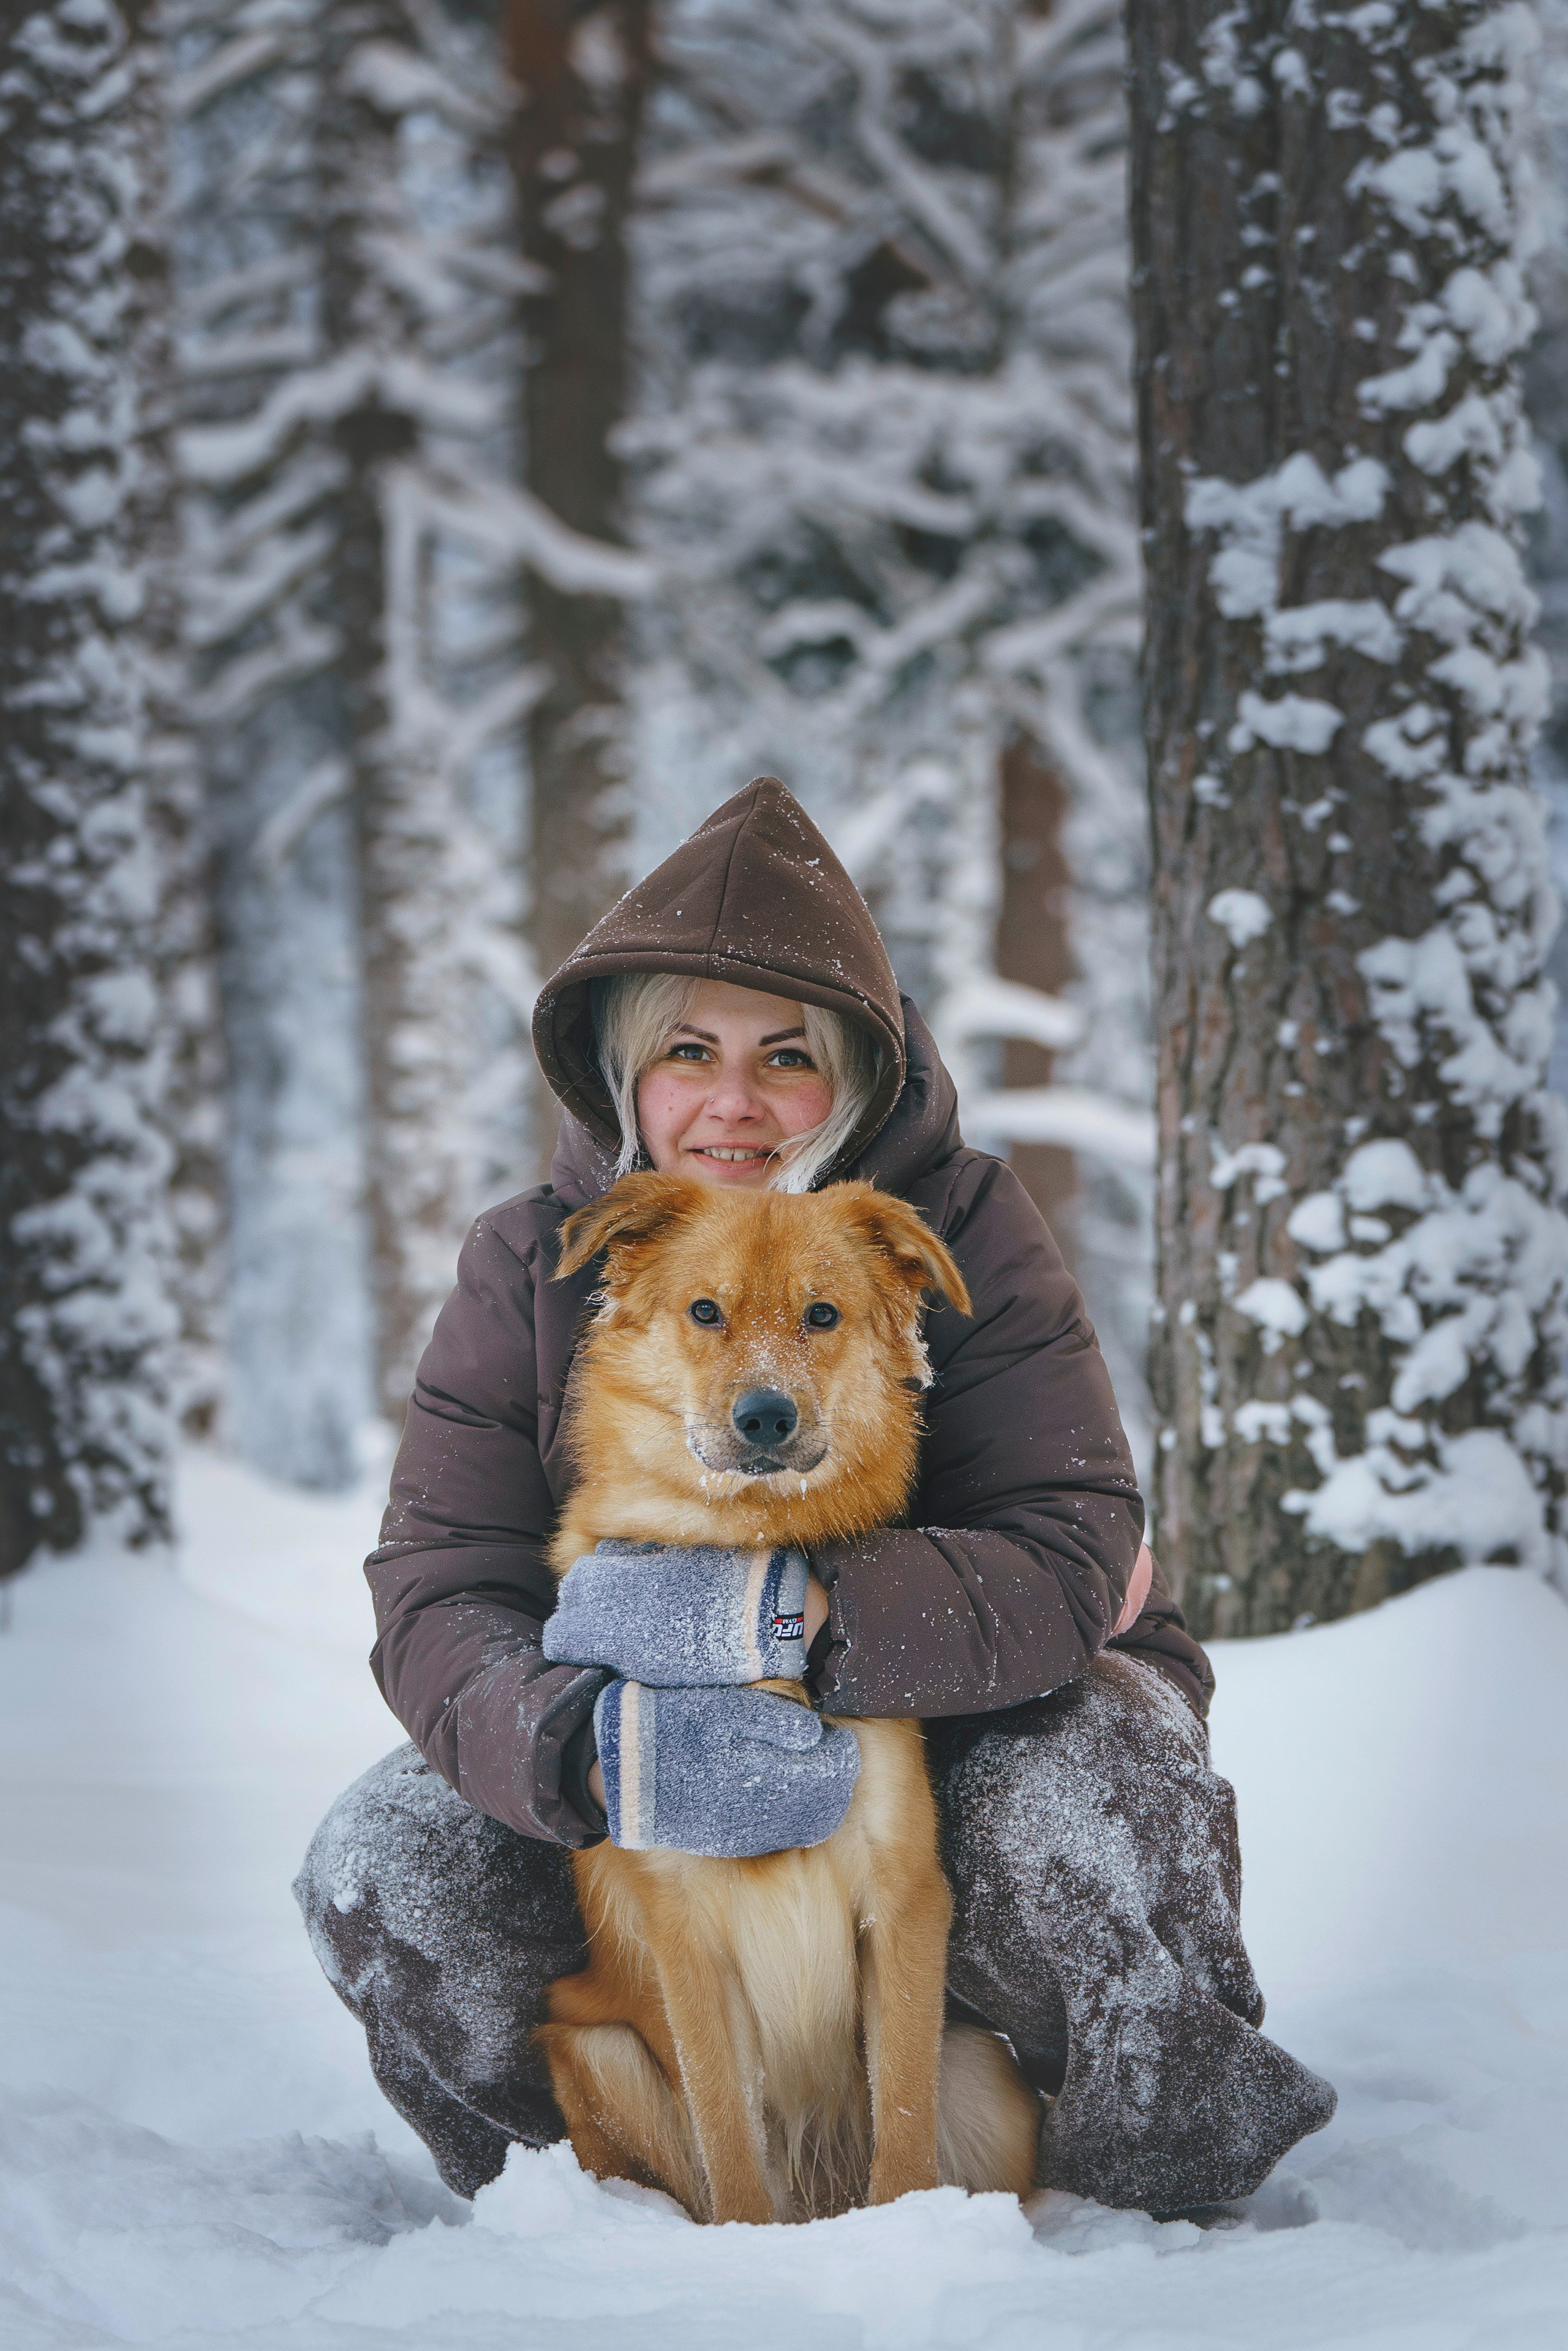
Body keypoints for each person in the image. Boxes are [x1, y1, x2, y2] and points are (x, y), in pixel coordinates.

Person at [296, 777, 1334, 2213]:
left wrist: (793, 1615)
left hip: (985, 1708)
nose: (733, 1099)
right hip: (640, 1717)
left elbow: (1072, 1537)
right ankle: (598, 2204)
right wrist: (586, 1742)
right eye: (686, 1050)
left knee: (1080, 1797)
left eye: (785, 1054)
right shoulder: (531, 1259)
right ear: (622, 1071)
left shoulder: (951, 1224)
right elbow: (435, 1581)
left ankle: (1142, 2193)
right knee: (388, 1857)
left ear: (851, 1071)